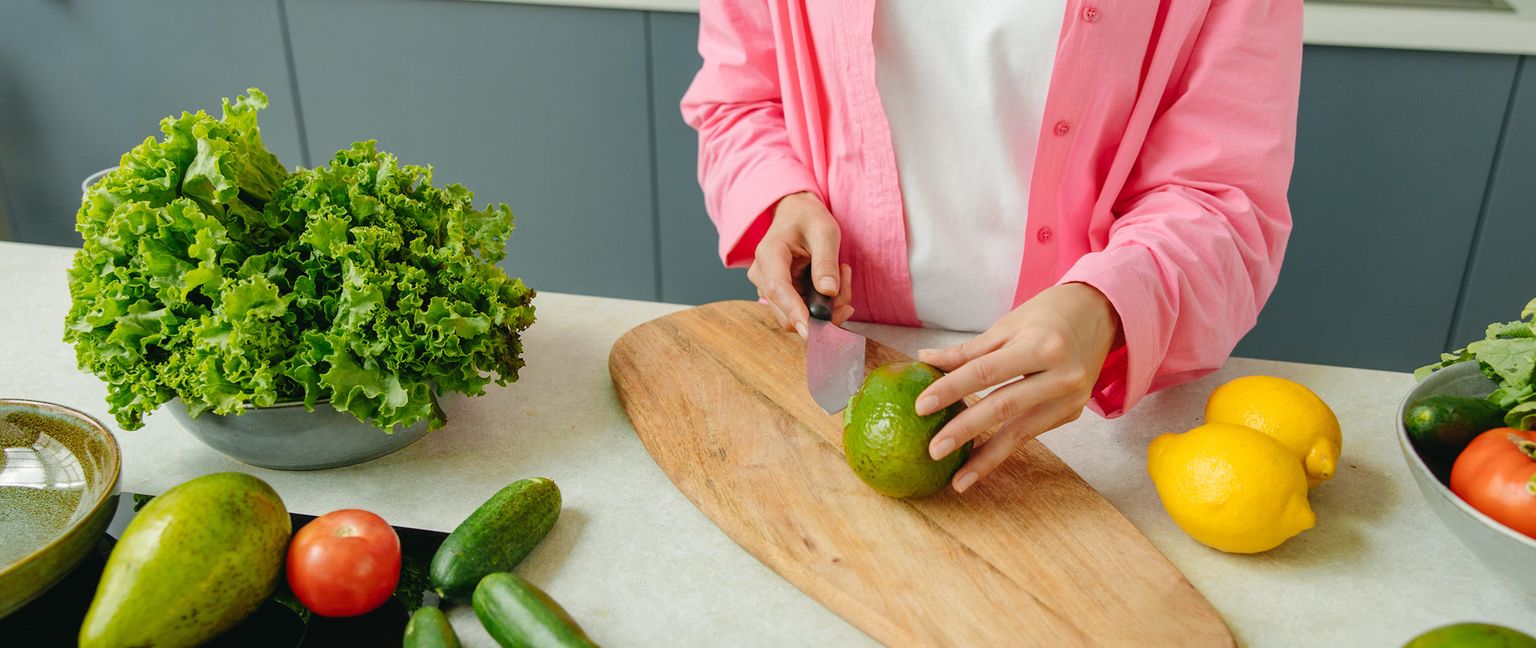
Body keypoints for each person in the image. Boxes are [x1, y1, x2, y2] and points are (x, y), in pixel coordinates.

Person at [681, 1, 1301, 493]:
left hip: (1083, 405)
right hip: (853, 340)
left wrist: (1109, 305)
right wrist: (781, 199)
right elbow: (740, 102)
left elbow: (1224, 195)